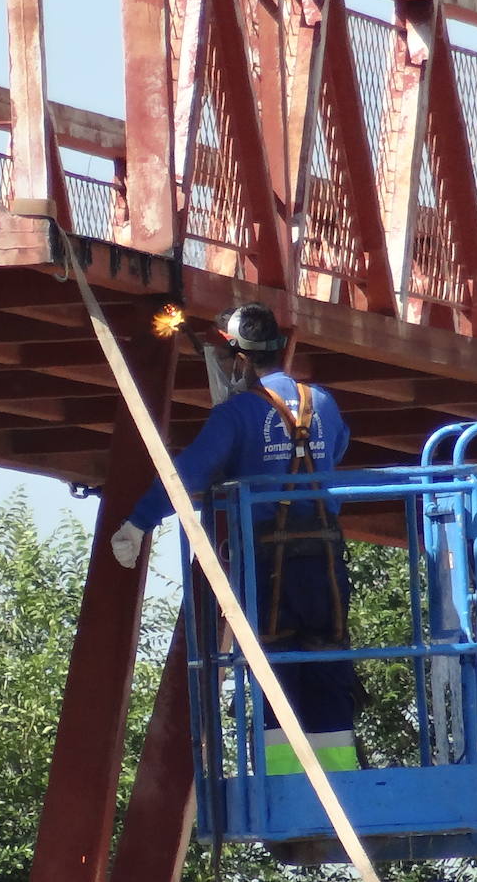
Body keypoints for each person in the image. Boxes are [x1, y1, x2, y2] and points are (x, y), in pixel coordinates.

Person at [109, 302, 356, 775]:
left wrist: (140, 521)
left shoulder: (237, 413)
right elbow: (337, 446)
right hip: (324, 559)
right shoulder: (321, 402)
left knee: (275, 665)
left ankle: (286, 785)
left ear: (239, 359)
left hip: (268, 562)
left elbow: (191, 471)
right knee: (329, 658)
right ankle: (339, 782)